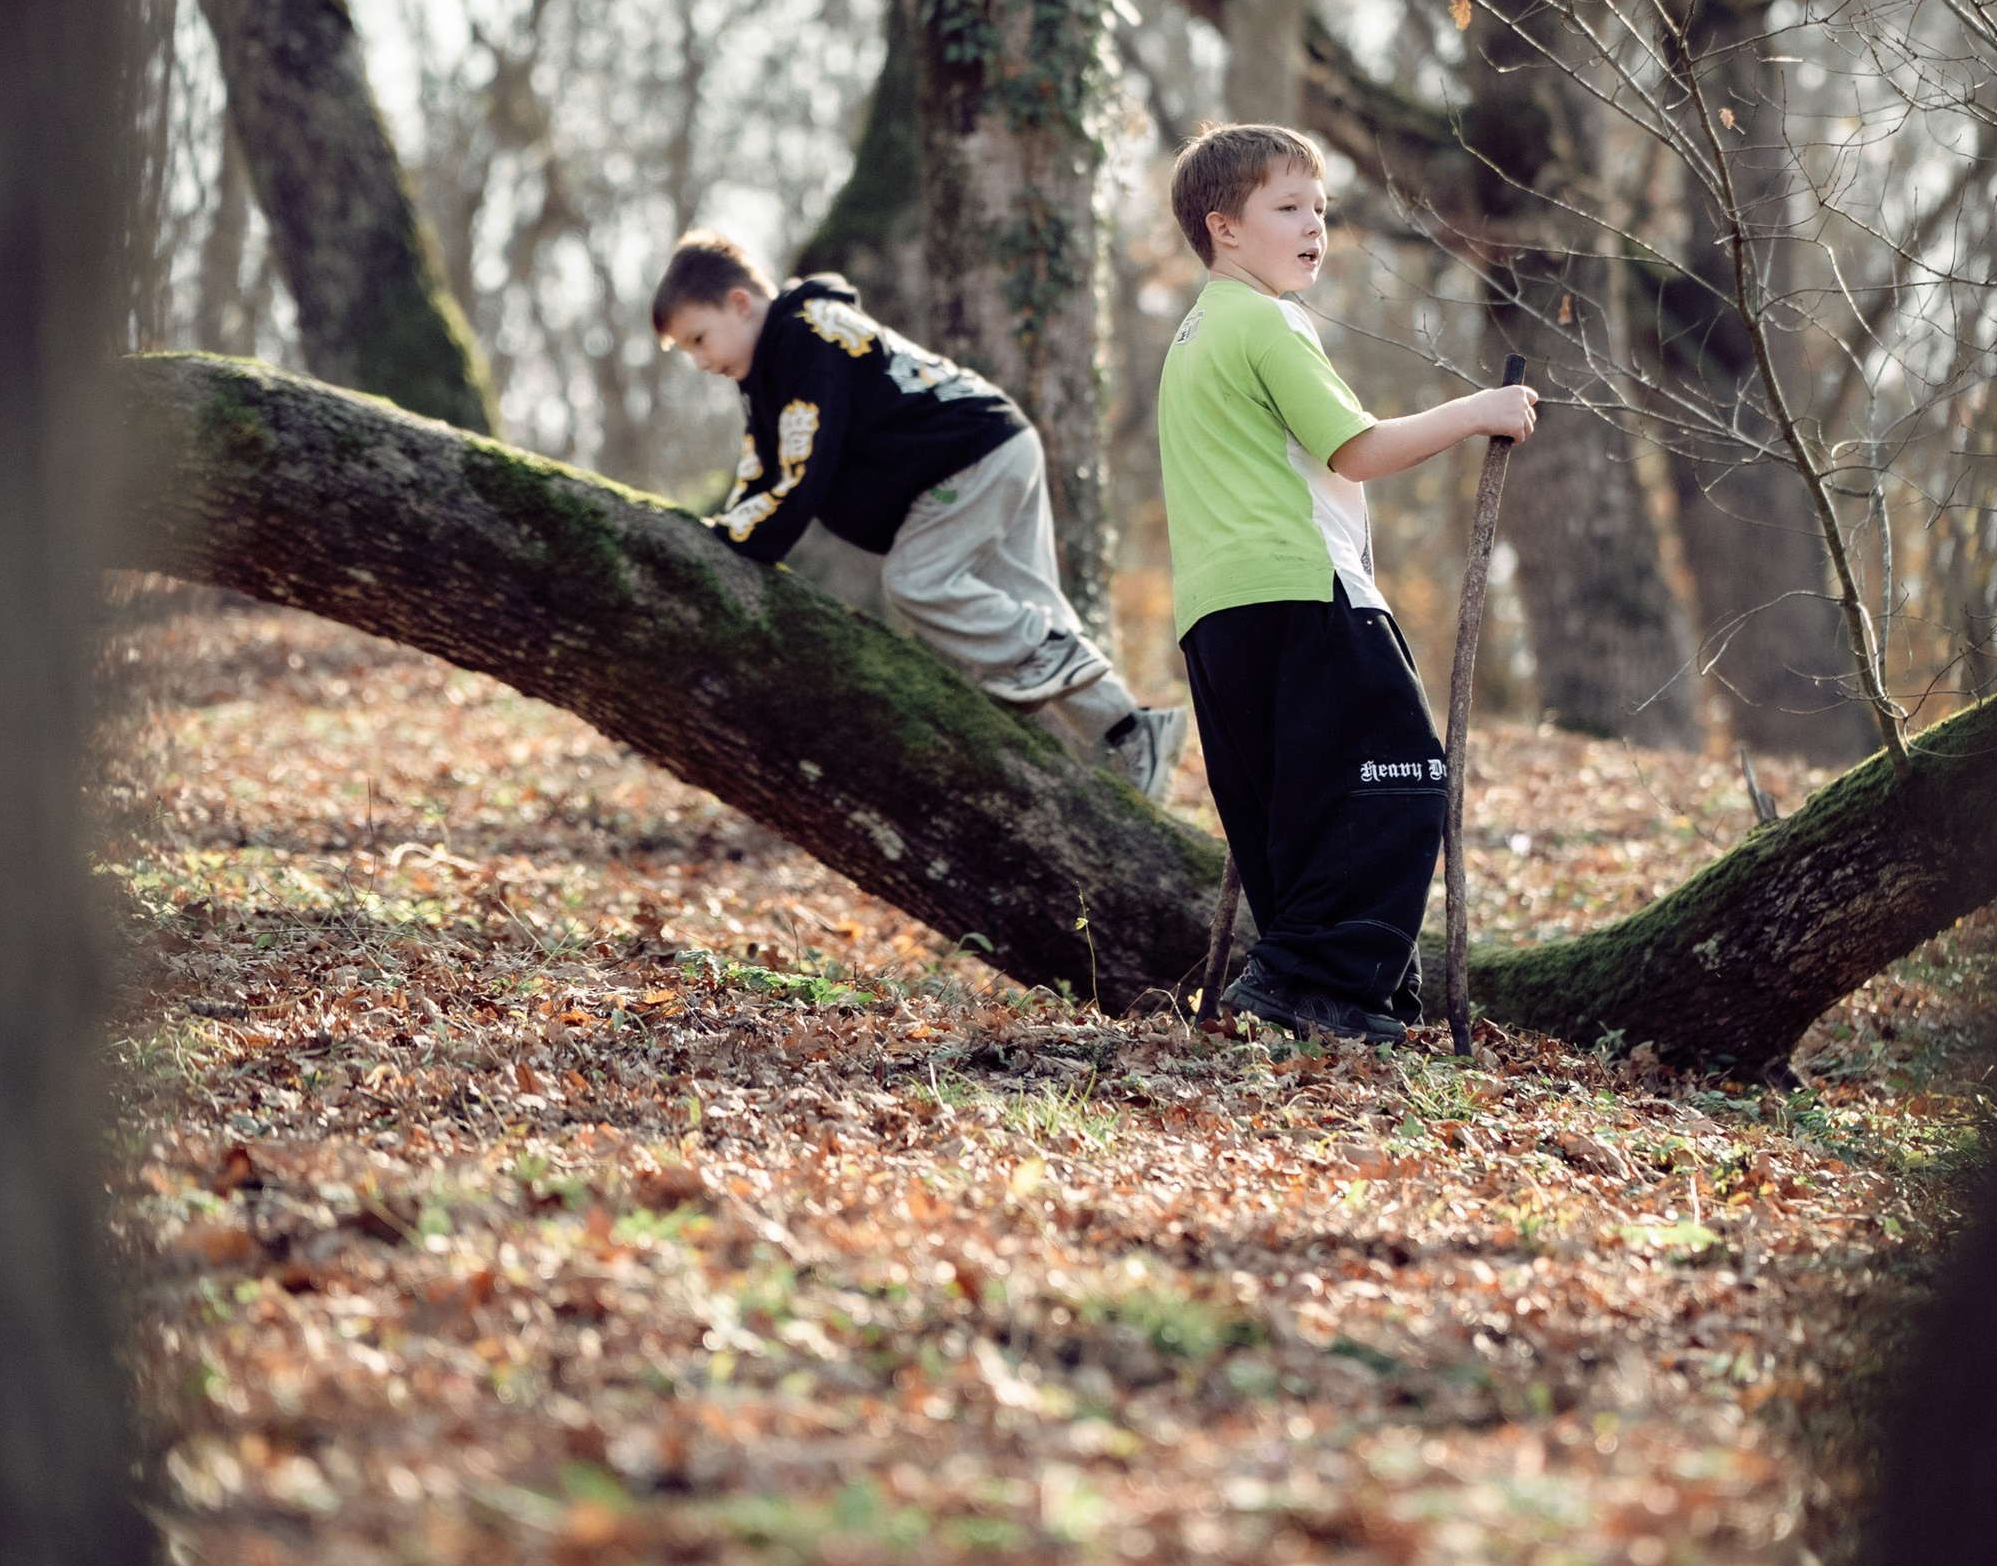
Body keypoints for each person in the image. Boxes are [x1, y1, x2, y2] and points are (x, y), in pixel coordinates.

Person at [1157, 122, 1537, 1048]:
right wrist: (1475, 411)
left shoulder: (1193, 334)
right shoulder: (1264, 322)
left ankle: (1327, 994)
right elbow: (1356, 448)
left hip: (1215, 615)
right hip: (1302, 588)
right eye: (1287, 207)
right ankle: (1315, 983)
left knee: (1291, 810)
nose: (1314, 226)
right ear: (1225, 229)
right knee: (1399, 780)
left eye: (1321, 209)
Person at [651, 230, 1188, 801]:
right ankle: (1133, 731)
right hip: (993, 444)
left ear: (739, 303)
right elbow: (762, 472)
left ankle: (1054, 651)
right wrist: (727, 532)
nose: (701, 361)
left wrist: (741, 539)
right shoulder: (769, 376)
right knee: (1027, 619)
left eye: (699, 340)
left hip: (968, 458)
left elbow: (801, 470)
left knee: (919, 580)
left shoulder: (805, 338)